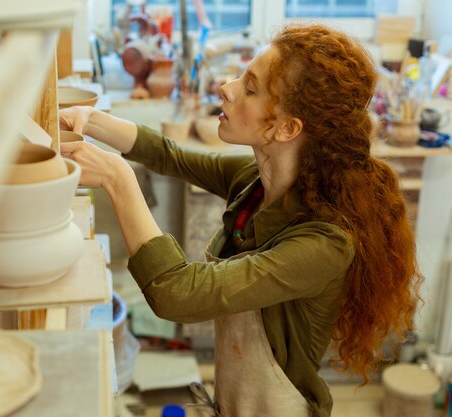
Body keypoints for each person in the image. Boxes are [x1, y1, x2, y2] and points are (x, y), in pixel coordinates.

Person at [59, 24, 423, 417]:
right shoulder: (256, 182)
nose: (227, 88)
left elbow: (176, 293)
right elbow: (171, 155)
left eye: (250, 88)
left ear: (286, 128)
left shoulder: (324, 244)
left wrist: (117, 178)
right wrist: (91, 119)